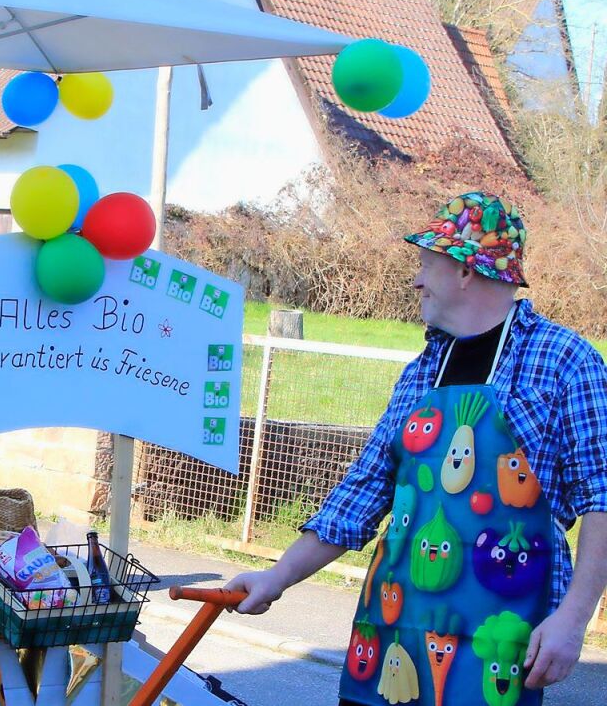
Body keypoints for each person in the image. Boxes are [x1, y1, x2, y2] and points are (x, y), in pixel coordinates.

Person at [226, 192, 607, 706]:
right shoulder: (420, 372)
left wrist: (574, 618)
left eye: (426, 264)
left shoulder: (565, 361)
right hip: (389, 631)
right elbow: (360, 496)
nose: (416, 279)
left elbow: (601, 495)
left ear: (466, 270)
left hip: (496, 639)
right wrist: (276, 577)